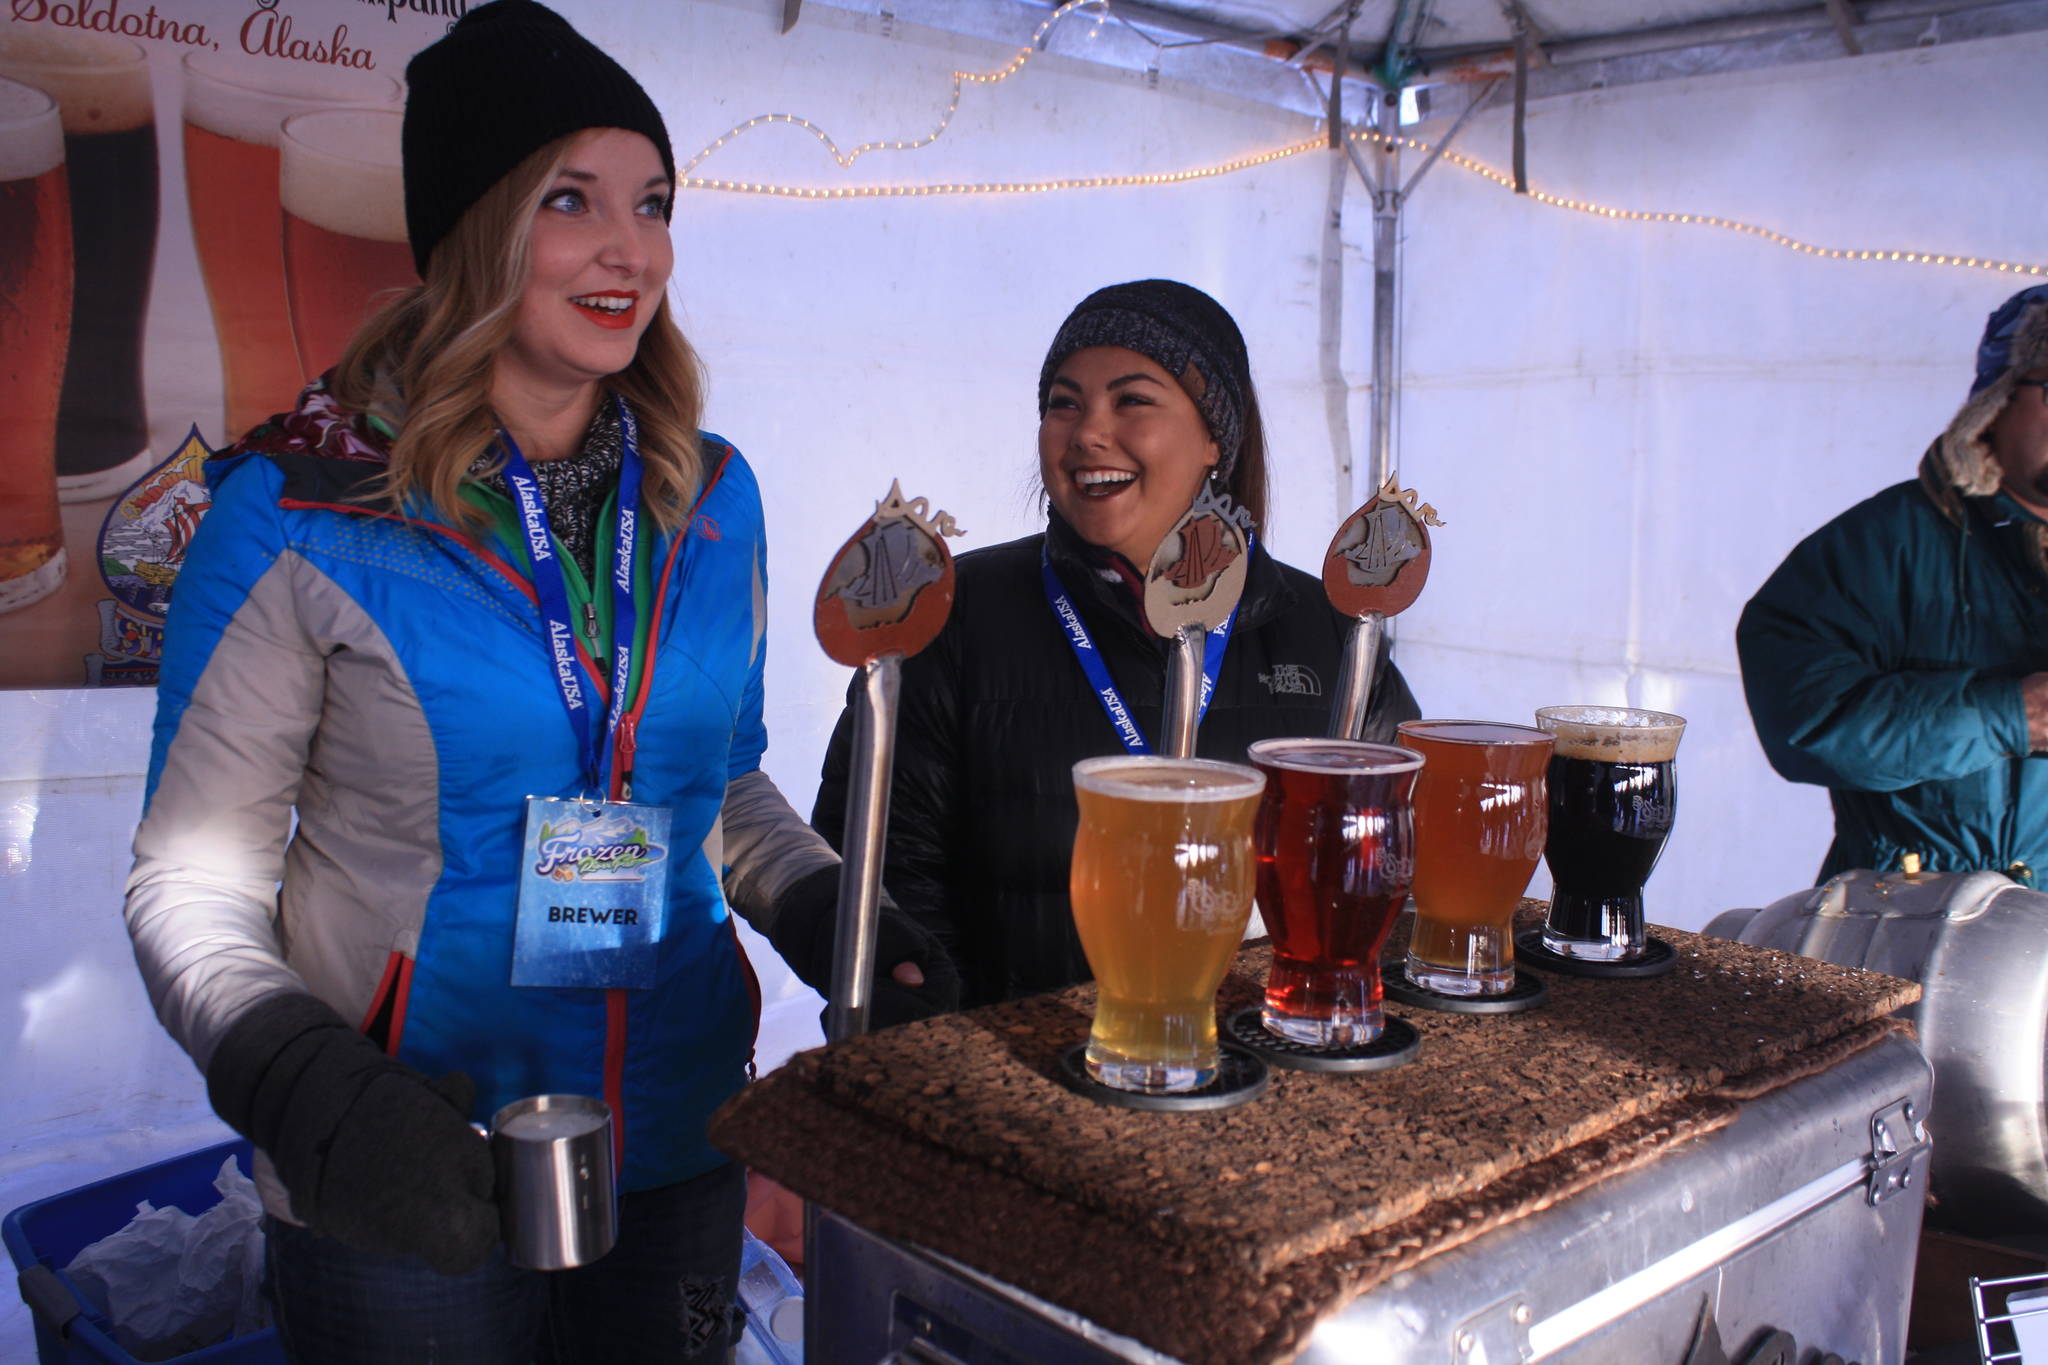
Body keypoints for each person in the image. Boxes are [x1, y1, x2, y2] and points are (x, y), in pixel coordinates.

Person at [122, 4, 955, 1360]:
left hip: (680, 1140)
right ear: (475, 228)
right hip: (409, 1158)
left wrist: (823, 903)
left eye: (654, 201)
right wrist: (304, 1082)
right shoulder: (299, 510)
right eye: (572, 200)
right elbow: (187, 883)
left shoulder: (712, 496)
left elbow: (719, 786)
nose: (631, 248)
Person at [812, 279, 1419, 1009]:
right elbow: (885, 876)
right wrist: (980, 1060)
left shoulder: (1327, 631)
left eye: (1132, 400)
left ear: (1214, 438)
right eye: (1063, 403)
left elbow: (1397, 863)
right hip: (1019, 1082)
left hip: (1266, 1069)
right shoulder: (955, 614)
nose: (1089, 432)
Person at [1738, 283, 2048, 885]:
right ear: (1998, 400)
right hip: (1903, 918)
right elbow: (1806, 724)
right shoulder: (1880, 547)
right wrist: (2010, 714)